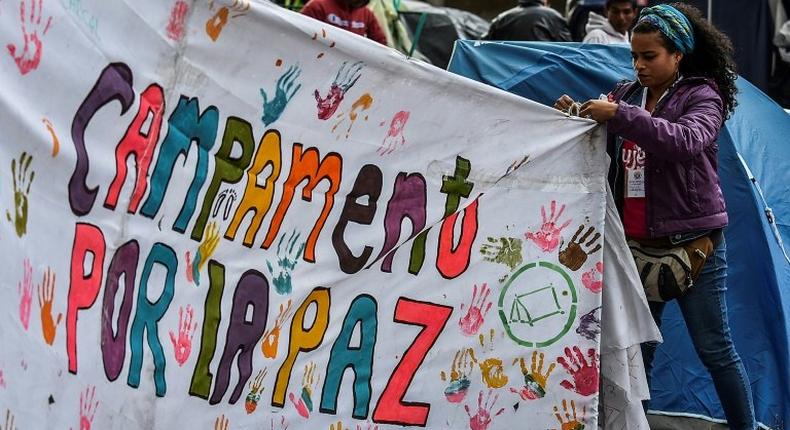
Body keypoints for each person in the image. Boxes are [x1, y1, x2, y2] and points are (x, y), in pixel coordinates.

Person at [554, 3, 756, 429]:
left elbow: (685, 140)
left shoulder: (704, 95)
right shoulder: (627, 93)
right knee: (637, 352)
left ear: (678, 54)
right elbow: (598, 132)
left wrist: (620, 116)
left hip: (694, 246)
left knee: (715, 349)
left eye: (650, 56)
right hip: (636, 245)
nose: (640, 65)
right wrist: (575, 115)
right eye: (635, 56)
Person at [301, 0, 387, 45]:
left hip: (351, 67)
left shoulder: (366, 13)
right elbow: (300, 35)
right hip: (321, 61)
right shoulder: (317, 6)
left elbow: (380, 41)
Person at [482, 0, 572, 42]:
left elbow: (483, 44)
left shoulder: (502, 18)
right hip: (543, 69)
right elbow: (568, 47)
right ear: (545, 2)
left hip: (509, 70)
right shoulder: (553, 16)